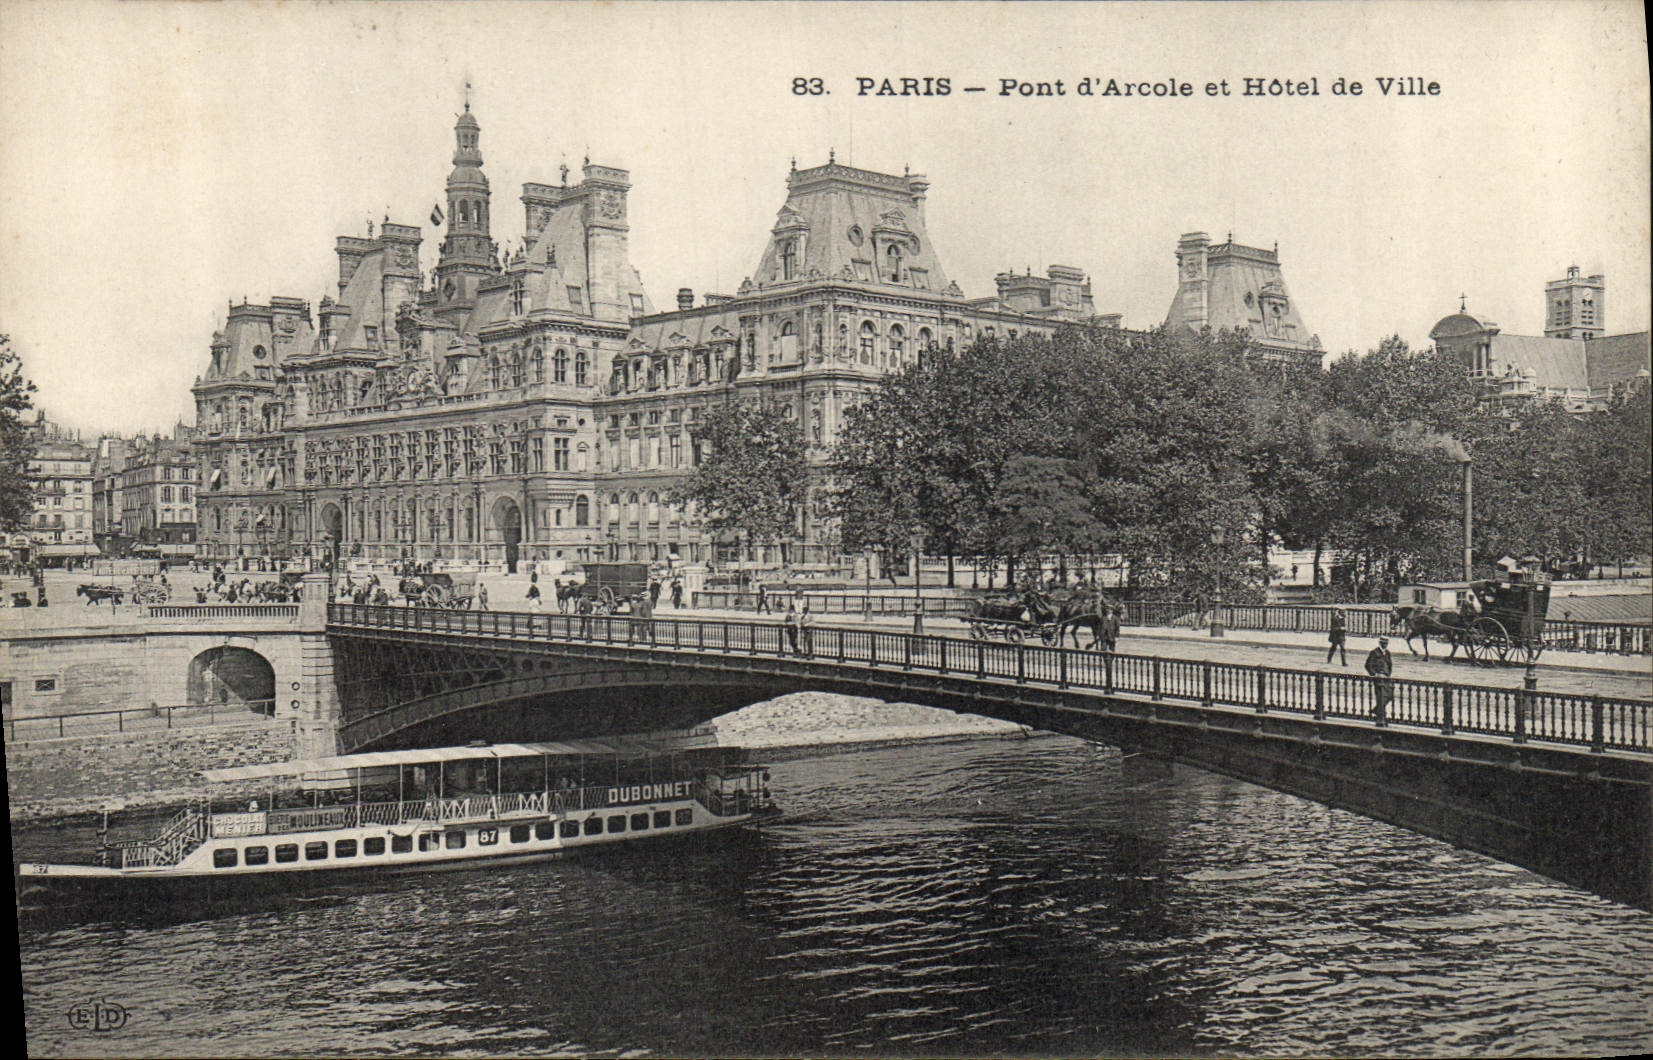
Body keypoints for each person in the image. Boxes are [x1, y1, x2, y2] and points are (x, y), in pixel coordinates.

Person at [1366, 636, 1394, 725]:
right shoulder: (1374, 653)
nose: (1385, 645)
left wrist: (1388, 675)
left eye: (1386, 644)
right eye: (1383, 644)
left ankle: (1376, 710)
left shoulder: (1388, 653)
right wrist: (1375, 674)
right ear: (1380, 643)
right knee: (1381, 698)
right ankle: (1382, 719)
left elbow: (1390, 665)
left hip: (1386, 678)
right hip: (1378, 680)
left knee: (1390, 696)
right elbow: (1368, 665)